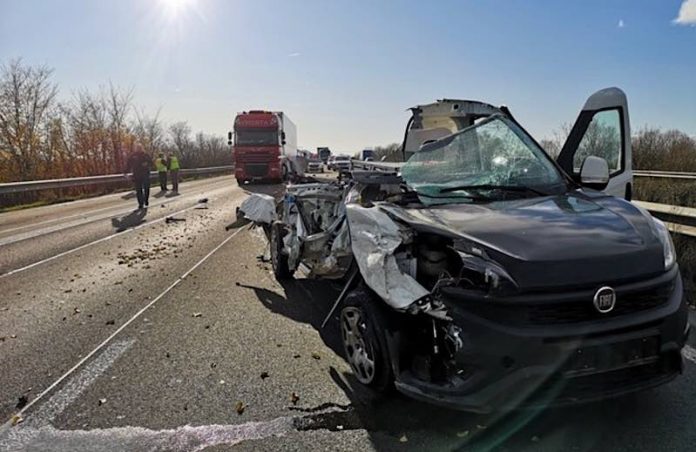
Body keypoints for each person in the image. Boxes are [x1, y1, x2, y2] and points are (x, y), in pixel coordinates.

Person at [125, 144, 153, 209]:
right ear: (135, 149)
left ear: (142, 148)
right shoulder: (133, 156)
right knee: (138, 190)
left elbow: (151, 163)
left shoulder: (145, 155)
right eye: (137, 148)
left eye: (140, 148)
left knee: (146, 187)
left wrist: (147, 164)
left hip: (145, 174)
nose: (138, 149)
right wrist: (125, 172)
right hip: (136, 175)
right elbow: (128, 165)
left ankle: (146, 199)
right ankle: (140, 203)